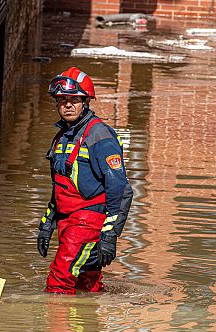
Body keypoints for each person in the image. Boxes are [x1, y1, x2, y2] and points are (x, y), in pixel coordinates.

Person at [37, 67, 133, 294]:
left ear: (86, 102)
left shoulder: (100, 137)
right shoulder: (63, 136)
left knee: (58, 282)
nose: (67, 105)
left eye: (74, 100)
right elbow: (59, 186)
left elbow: (121, 191)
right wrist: (47, 223)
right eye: (62, 100)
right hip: (67, 222)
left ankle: (55, 326)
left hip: (88, 222)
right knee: (86, 285)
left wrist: (110, 235)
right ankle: (88, 325)